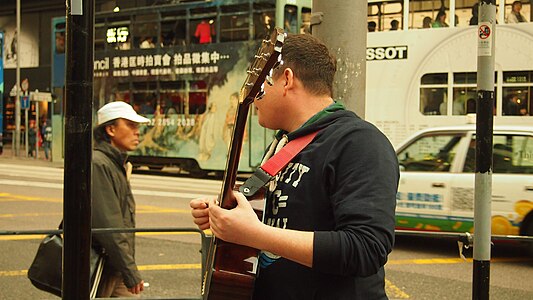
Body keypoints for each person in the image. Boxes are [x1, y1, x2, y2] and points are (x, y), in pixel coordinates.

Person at [190, 34, 398, 299]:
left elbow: (366, 248)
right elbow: (272, 217)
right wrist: (225, 215)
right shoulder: (282, 143)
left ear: (286, 80)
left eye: (261, 83)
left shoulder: (359, 142)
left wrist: (256, 234)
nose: (252, 97)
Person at [92, 101, 149, 297]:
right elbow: (110, 225)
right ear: (110, 129)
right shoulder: (99, 164)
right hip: (102, 264)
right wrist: (130, 271)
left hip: (114, 263)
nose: (137, 132)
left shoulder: (115, 163)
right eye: (131, 125)